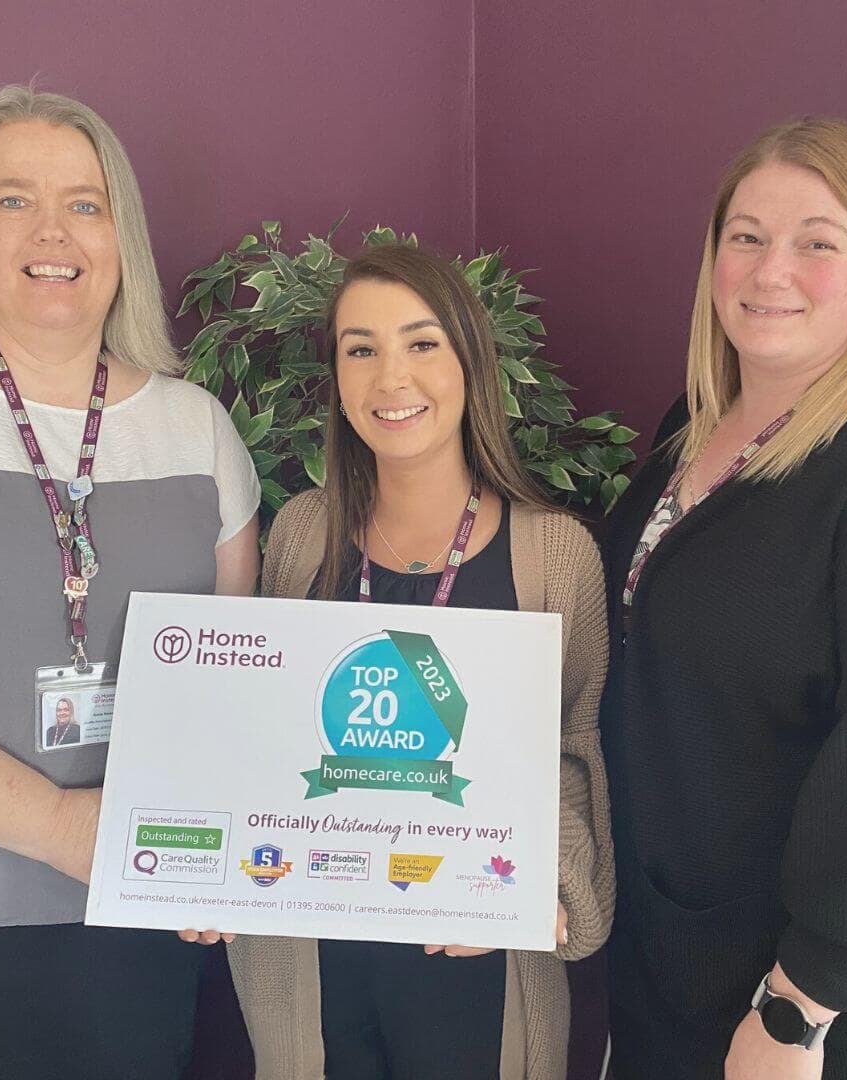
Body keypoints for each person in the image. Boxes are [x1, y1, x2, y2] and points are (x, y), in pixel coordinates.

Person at [0, 85, 261, 1080]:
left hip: (143, 929)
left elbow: (236, 685)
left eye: (84, 203)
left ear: (120, 235)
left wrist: (217, 857)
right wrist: (59, 827)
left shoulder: (197, 429)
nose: (53, 230)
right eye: (14, 199)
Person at [184, 244, 615, 1078]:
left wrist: (553, 896)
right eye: (361, 349)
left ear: (469, 362)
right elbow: (264, 740)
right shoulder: (302, 533)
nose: (391, 378)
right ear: (338, 379)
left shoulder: (555, 552)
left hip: (479, 967)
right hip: (312, 963)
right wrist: (208, 867)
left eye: (421, 344)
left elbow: (576, 750)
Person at [600, 117, 847, 1080]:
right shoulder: (690, 429)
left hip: (816, 1012)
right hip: (673, 961)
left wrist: (801, 1005)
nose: (769, 270)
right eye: (745, 236)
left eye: (816, 243)